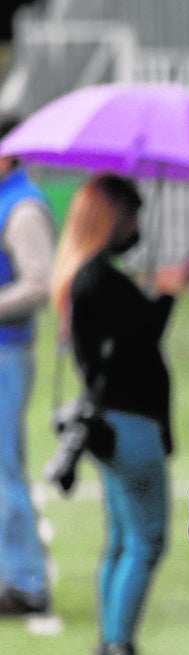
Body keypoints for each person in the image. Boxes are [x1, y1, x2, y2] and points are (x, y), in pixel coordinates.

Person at [51, 173, 189, 655]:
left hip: (113, 425)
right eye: (132, 217)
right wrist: (169, 292)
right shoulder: (98, 280)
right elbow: (143, 335)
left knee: (121, 541)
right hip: (129, 425)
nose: (137, 229)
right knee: (145, 541)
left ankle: (110, 652)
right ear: (112, 219)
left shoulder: (85, 277)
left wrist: (155, 291)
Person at [0, 111, 55, 617]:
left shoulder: (22, 209)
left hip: (7, 354)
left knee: (5, 467)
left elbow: (39, 283)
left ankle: (26, 582)